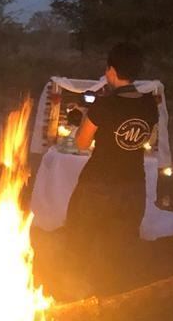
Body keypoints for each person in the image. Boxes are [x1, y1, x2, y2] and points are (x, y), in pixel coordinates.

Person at [63, 42, 158, 295]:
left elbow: (82, 143)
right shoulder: (149, 105)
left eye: (107, 70)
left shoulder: (104, 105)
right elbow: (145, 137)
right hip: (133, 186)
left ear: (113, 70)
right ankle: (113, 294)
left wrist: (86, 117)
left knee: (80, 239)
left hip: (98, 186)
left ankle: (75, 294)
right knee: (119, 247)